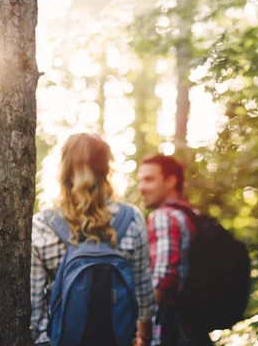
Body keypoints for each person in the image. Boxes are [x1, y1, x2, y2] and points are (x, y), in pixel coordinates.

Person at [30, 133, 155, 346]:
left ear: (62, 170)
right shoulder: (132, 218)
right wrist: (144, 336)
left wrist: (43, 340)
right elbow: (143, 291)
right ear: (107, 169)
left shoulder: (43, 224)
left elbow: (34, 303)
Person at [137, 154, 213, 346]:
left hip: (168, 330)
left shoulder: (163, 217)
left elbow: (163, 279)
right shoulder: (191, 215)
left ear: (171, 181)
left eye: (149, 179)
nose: (141, 188)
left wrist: (141, 329)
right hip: (193, 327)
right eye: (140, 180)